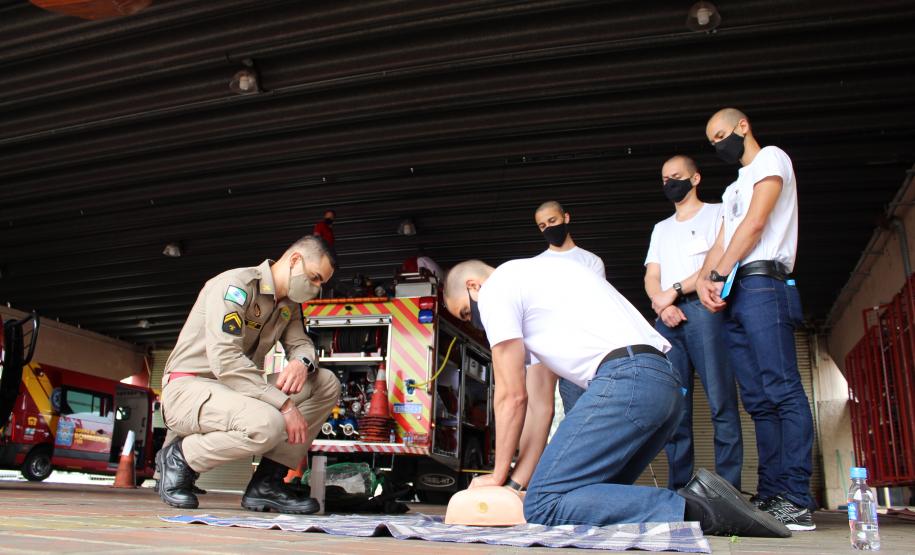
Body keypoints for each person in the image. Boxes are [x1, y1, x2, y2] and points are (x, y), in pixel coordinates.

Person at [443, 258, 789, 537]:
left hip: (627, 380)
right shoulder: (544, 279)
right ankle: (707, 504)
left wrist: (496, 473)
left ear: (473, 286)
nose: (474, 322)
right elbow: (539, 406)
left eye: (465, 312)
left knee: (544, 503)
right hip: (662, 385)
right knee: (584, 498)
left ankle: (698, 507)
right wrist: (515, 482)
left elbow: (510, 396)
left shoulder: (496, 289)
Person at [157, 235, 340, 514]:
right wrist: (285, 404)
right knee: (268, 423)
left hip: (235, 392)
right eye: (315, 278)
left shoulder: (288, 304)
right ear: (294, 260)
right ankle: (179, 457)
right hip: (189, 388)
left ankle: (267, 484)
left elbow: (301, 343)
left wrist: (302, 362)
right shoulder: (236, 286)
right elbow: (226, 360)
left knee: (325, 382)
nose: (316, 288)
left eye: (321, 283)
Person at [696, 107, 815, 531]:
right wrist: (708, 281)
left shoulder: (771, 159)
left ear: (743, 126)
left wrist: (720, 271)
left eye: (721, 134)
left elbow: (756, 223)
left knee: (783, 389)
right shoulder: (732, 189)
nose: (717, 144)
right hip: (737, 291)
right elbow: (723, 241)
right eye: (711, 142)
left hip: (765, 284)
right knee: (759, 402)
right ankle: (771, 494)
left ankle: (798, 499)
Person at [644, 155, 743, 491]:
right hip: (667, 319)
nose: (669, 182)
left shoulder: (718, 213)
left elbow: (715, 262)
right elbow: (651, 275)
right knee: (675, 409)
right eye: (664, 178)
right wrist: (661, 305)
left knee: (721, 402)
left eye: (676, 176)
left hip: (705, 310)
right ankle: (678, 491)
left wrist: (671, 292)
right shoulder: (660, 228)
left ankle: (727, 490)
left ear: (695, 178)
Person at [533, 200, 605, 413]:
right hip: (546, 348)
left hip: (581, 351)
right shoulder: (536, 265)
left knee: (582, 411)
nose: (548, 228)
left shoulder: (591, 261)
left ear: (566, 218)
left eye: (552, 221)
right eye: (543, 226)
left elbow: (595, 306)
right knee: (541, 410)